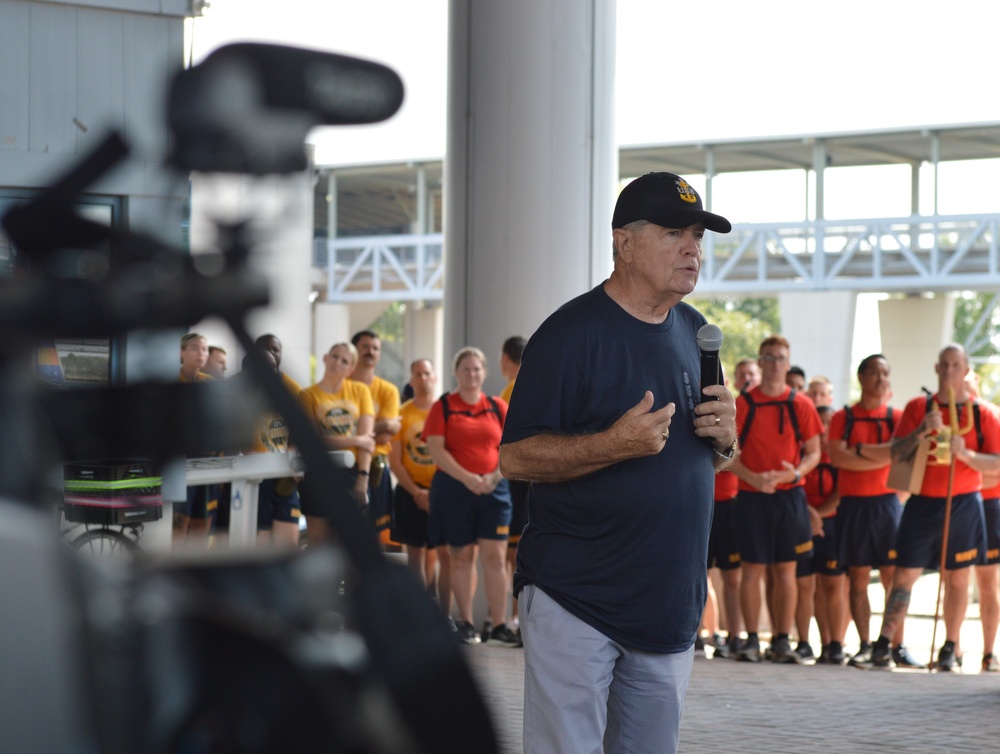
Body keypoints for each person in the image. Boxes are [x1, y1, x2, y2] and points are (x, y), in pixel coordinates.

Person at [499, 172, 737, 754]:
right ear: (623, 244)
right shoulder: (569, 335)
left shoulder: (697, 333)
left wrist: (728, 440)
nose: (693, 249)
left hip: (668, 606)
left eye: (699, 237)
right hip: (577, 598)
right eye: (674, 233)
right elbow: (514, 456)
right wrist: (613, 444)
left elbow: (713, 460)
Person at [871, 344, 1000, 670]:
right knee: (904, 575)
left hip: (964, 502)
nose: (950, 370)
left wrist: (966, 455)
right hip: (923, 501)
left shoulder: (983, 413)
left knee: (957, 579)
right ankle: (884, 643)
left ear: (966, 369)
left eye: (956, 364)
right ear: (937, 368)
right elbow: (896, 453)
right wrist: (921, 431)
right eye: (944, 364)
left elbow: (996, 463)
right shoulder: (918, 407)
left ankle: (950, 647)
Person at [730, 335, 822, 664]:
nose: (773, 364)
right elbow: (726, 455)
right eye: (767, 358)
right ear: (759, 361)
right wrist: (753, 477)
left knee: (786, 570)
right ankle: (752, 639)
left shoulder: (802, 404)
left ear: (788, 362)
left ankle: (783, 640)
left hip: (790, 497)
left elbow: (814, 453)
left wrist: (794, 474)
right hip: (753, 496)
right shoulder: (742, 404)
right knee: (752, 569)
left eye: (779, 358)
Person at [827, 354, 919, 669]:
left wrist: (862, 452)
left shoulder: (897, 418)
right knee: (858, 577)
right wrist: (886, 454)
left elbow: (905, 457)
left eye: (885, 373)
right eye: (875, 373)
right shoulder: (844, 417)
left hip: (888, 504)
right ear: (862, 377)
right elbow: (839, 459)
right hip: (854, 505)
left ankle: (893, 644)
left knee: (896, 576)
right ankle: (865, 644)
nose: (881, 379)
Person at [423, 347, 517, 647]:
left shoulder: (497, 406)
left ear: (484, 372)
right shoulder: (444, 407)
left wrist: (492, 477)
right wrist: (468, 479)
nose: (472, 374)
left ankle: (499, 624)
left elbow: (511, 447)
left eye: (477, 369)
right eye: (466, 369)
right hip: (455, 490)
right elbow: (436, 450)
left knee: (495, 558)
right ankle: (466, 622)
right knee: (461, 557)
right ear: (456, 372)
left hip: (494, 488)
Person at [706, 358, 761, 659]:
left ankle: (735, 636)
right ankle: (700, 634)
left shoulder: (743, 409)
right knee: (699, 573)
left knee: (732, 576)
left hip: (732, 502)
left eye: (751, 374)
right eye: (742, 375)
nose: (747, 379)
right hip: (702, 499)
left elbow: (741, 454)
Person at [388, 358, 452, 613]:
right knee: (415, 554)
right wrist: (416, 492)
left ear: (434, 377)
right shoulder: (402, 414)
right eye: (418, 374)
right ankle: (417, 612)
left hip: (442, 492)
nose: (423, 378)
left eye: (427, 373)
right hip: (409, 492)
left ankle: (444, 614)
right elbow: (394, 459)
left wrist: (434, 493)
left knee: (443, 554)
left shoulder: (445, 411)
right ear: (411, 379)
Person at [297, 342, 375, 546]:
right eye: (334, 356)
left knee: (348, 541)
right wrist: (355, 440)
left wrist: (363, 477)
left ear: (351, 369)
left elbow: (368, 441)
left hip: (351, 473)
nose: (337, 363)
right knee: (318, 540)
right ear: (324, 358)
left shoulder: (360, 391)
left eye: (344, 361)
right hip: (317, 472)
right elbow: (312, 441)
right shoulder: (308, 395)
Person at [230, 348, 302, 548]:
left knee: (288, 543)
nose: (274, 374)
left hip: (284, 475)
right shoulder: (236, 398)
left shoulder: (287, 393)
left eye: (274, 368)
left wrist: (293, 455)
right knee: (259, 542)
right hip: (254, 478)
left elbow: (299, 432)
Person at [797, 404, 847, 664]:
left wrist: (819, 515)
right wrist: (809, 513)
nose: (826, 430)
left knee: (833, 584)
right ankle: (807, 642)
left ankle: (835, 644)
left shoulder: (838, 458)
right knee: (805, 585)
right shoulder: (804, 455)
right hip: (802, 522)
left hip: (832, 526)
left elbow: (841, 493)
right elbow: (794, 488)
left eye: (830, 424)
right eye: (822, 424)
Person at [958, 370, 1000, 673]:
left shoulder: (991, 417)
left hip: (990, 505)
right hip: (959, 503)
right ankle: (953, 647)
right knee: (956, 580)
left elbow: (996, 470)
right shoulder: (949, 419)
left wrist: (970, 463)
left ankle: (988, 653)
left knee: (989, 583)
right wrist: (977, 466)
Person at [351, 330, 402, 535]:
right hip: (344, 466)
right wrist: (383, 425)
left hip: (376, 468)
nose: (370, 352)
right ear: (354, 350)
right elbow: (384, 428)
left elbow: (386, 436)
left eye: (375, 348)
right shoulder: (340, 384)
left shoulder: (388, 390)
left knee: (374, 535)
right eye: (365, 347)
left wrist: (352, 431)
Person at [176, 332, 218, 543]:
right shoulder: (173, 381)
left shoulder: (210, 383)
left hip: (207, 460)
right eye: (194, 348)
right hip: (181, 461)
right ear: (182, 352)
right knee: (180, 520)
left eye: (204, 349)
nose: (201, 353)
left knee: (203, 520)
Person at [499, 335, 528, 635]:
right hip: (532, 477)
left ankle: (518, 618)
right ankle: (518, 617)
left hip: (522, 478)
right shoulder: (535, 382)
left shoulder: (511, 389)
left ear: (504, 359)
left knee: (516, 554)